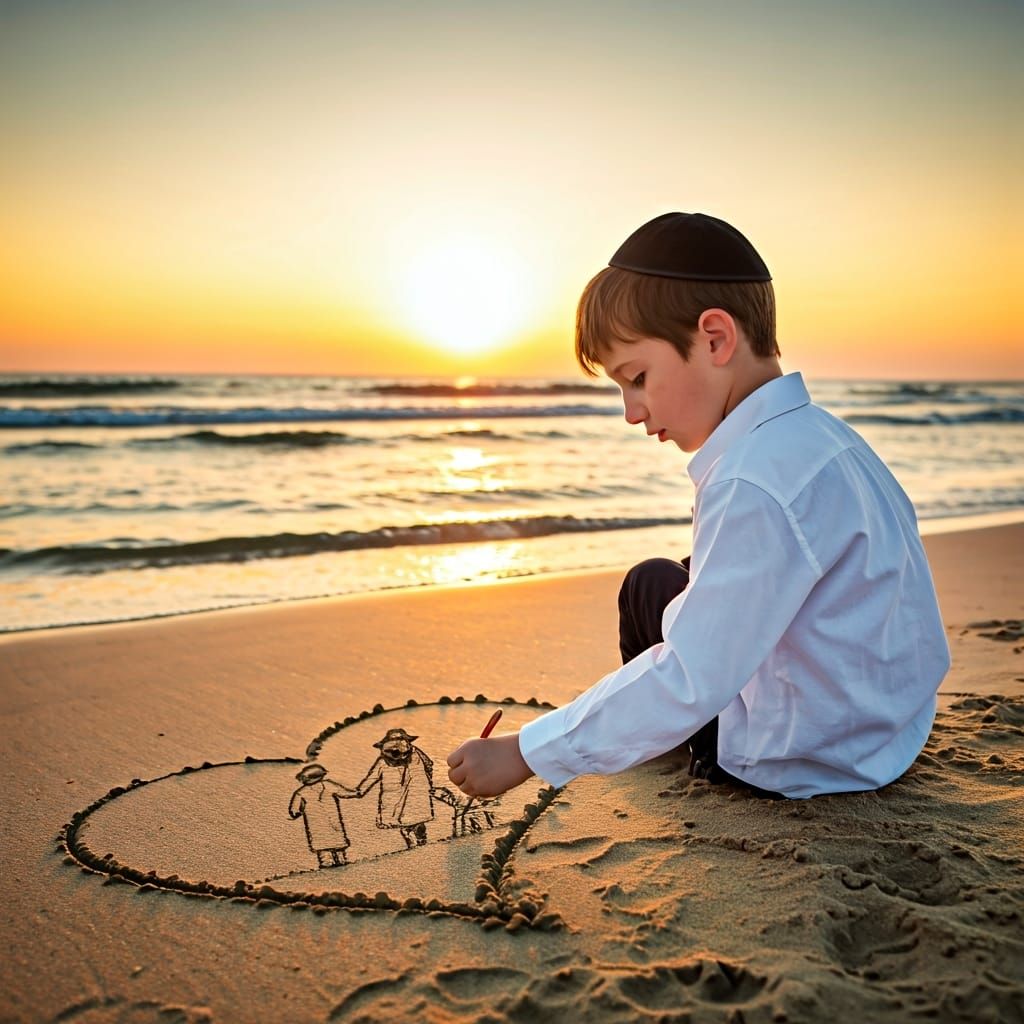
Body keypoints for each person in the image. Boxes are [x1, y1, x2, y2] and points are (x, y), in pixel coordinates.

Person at [447, 211, 950, 801]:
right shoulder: (828, 440)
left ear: (714, 338)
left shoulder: (752, 481)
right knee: (678, 578)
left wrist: (525, 751)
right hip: (882, 731)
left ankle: (673, 745)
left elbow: (691, 677)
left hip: (800, 758)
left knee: (647, 589)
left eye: (636, 377)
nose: (632, 412)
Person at [354, 727, 436, 848]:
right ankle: (414, 845)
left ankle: (420, 843)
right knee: (405, 824)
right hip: (396, 798)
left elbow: (429, 765)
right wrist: (360, 791)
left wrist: (428, 782)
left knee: (417, 822)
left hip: (415, 794)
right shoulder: (383, 762)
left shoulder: (416, 754)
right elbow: (372, 777)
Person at [288, 763, 353, 867]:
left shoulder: (301, 792)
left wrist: (297, 813)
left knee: (324, 853)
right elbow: (345, 793)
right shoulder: (329, 785)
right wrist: (358, 792)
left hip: (317, 827)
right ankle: (341, 862)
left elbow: (294, 811)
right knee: (339, 850)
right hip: (332, 824)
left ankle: (328, 864)